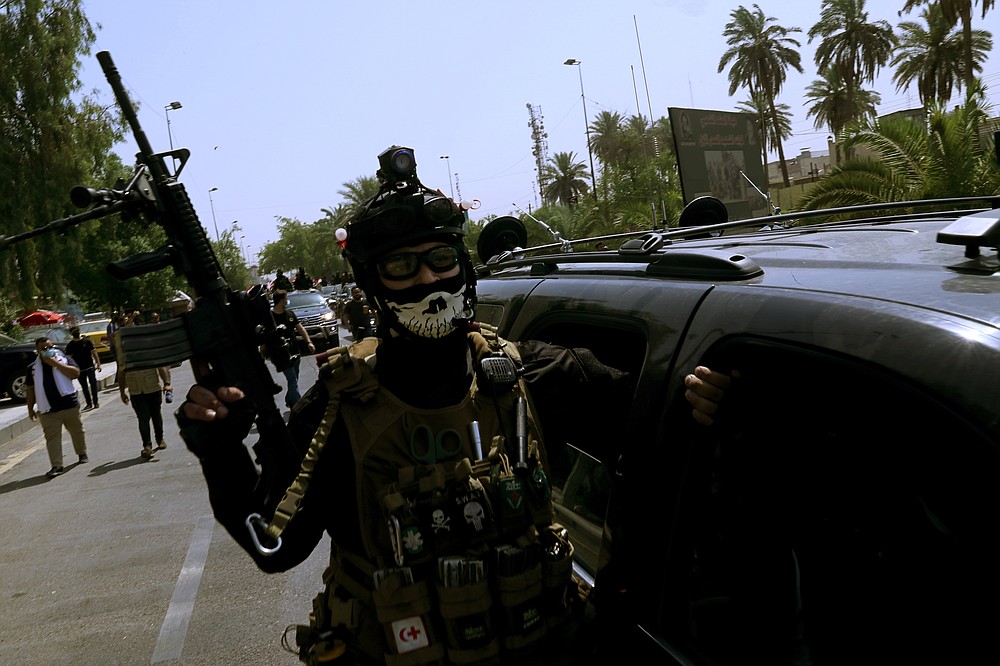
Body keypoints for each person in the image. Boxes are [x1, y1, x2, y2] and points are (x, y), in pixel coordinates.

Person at [179, 146, 732, 664]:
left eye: (441, 258)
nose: (428, 278)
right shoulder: (337, 408)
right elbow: (276, 548)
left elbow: (659, 438)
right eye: (402, 267)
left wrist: (717, 401)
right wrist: (218, 449)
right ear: (373, 287)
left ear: (462, 266)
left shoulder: (535, 373)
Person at [26, 337, 88, 478]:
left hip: (69, 406)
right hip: (48, 410)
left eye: (50, 347)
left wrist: (55, 364)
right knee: (52, 438)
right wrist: (30, 408)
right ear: (38, 351)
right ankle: (57, 465)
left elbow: (76, 373)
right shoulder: (32, 368)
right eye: (44, 348)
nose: (48, 350)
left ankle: (82, 453)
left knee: (77, 431)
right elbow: (30, 389)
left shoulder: (65, 360)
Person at [271, 288, 315, 410]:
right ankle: (299, 406)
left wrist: (309, 342)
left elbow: (300, 329)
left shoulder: (290, 314)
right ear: (281, 301)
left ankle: (289, 398)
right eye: (285, 299)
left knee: (294, 377)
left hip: (294, 351)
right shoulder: (271, 317)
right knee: (292, 378)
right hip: (281, 354)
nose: (287, 301)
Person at [118, 362, 172, 459]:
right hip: (136, 392)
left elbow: (160, 366)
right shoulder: (124, 355)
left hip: (153, 388)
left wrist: (167, 384)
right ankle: (147, 446)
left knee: (156, 415)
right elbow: (121, 373)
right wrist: (122, 392)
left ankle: (160, 438)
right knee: (143, 418)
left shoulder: (148, 350)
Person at [65, 325, 102, 410]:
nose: (76, 333)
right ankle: (89, 403)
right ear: (72, 334)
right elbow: (68, 359)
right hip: (79, 369)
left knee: (93, 384)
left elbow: (94, 352)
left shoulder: (87, 341)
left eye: (76, 331)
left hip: (89, 367)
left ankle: (96, 402)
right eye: (74, 332)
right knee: (84, 387)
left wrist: (98, 364)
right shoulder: (70, 345)